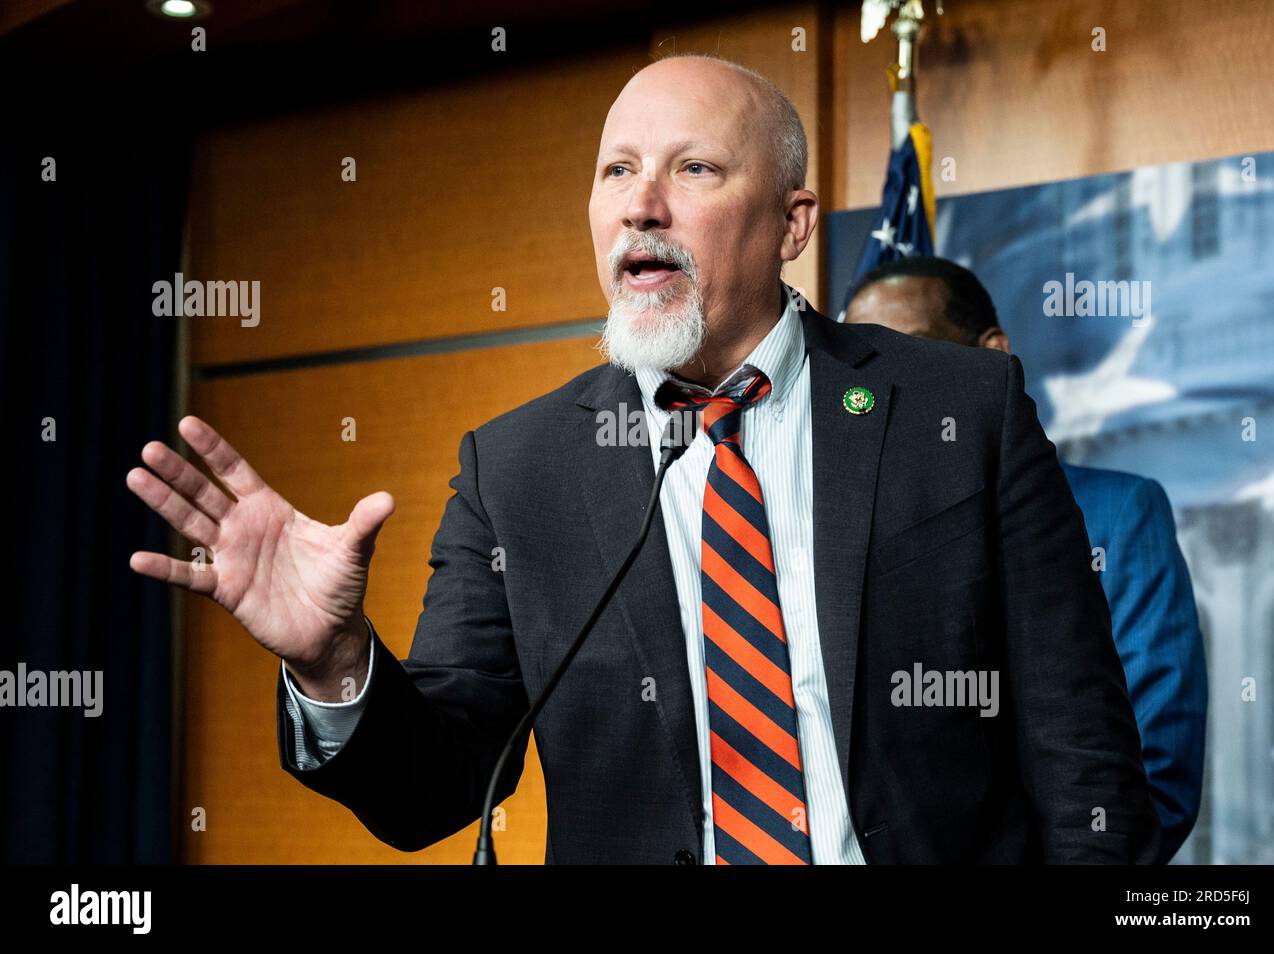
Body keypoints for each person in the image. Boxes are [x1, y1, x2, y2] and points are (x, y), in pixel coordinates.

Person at [126, 54, 1158, 864]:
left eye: (692, 168)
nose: (639, 204)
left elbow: (1083, 757)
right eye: (616, 169)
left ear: (793, 222)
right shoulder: (516, 470)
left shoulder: (962, 408)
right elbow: (435, 790)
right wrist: (333, 661)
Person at [844, 255, 1207, 862]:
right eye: (866, 360)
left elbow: (1153, 777)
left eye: (913, 351)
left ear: (992, 352)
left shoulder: (1118, 514)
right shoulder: (840, 530)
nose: (886, 384)